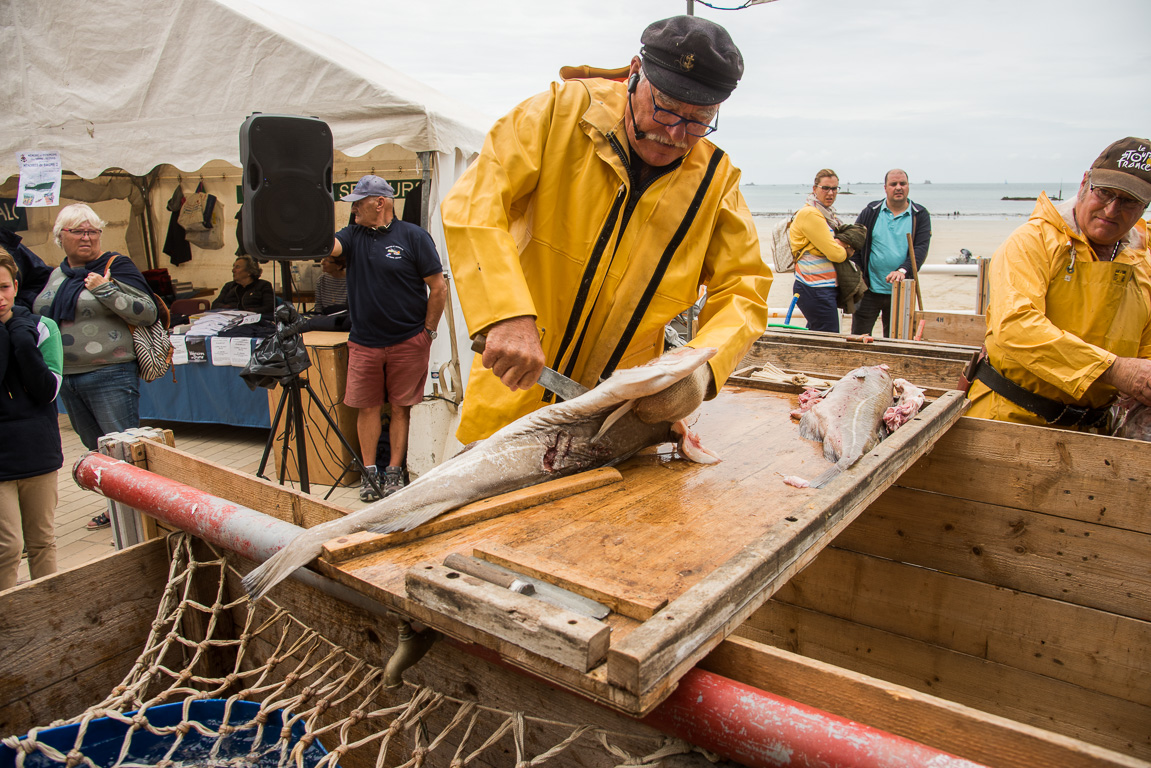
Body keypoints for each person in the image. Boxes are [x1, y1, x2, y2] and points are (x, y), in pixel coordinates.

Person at [441, 15, 771, 444]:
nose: (674, 133)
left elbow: (745, 286)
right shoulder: (558, 111)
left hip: (620, 416)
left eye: (698, 120)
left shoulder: (715, 180)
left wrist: (699, 369)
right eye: (665, 108)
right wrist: (505, 314)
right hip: (514, 392)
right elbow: (475, 206)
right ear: (635, 72)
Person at [966, 136, 1151, 428]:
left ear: (1144, 206)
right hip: (1009, 419)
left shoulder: (1143, 261)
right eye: (1103, 193)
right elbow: (1014, 328)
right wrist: (1114, 370)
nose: (1111, 209)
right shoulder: (1032, 242)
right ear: (1084, 183)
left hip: (1094, 430)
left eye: (1128, 201)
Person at [33, 203, 156, 530]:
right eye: (78, 231)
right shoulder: (57, 274)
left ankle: (143, 513)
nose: (87, 238)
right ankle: (118, 508)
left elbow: (148, 312)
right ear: (61, 237)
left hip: (110, 374)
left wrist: (104, 289)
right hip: (69, 379)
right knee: (97, 449)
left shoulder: (116, 267)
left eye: (93, 231)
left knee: (124, 449)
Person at [331, 175, 447, 501]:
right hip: (365, 342)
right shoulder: (353, 235)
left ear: (379, 202)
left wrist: (428, 333)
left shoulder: (413, 237)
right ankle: (370, 473)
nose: (353, 209)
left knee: (400, 408)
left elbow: (438, 288)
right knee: (366, 408)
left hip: (408, 340)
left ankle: (395, 471)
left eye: (358, 203)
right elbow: (332, 247)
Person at [0, 250, 63, 590]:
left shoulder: (41, 327)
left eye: (4, 287)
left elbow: (48, 391)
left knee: (42, 541)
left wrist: (22, 341)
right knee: (7, 547)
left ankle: (51, 613)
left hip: (37, 450)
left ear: (15, 285)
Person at [850, 169, 931, 337]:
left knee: (896, 342)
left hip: (901, 291)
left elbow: (920, 249)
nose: (898, 187)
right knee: (858, 338)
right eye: (893, 184)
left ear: (908, 187)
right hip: (868, 290)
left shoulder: (920, 215)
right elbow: (854, 244)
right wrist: (860, 275)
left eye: (903, 183)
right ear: (885, 188)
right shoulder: (871, 211)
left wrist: (902, 270)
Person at [790, 169, 854, 333]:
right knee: (828, 337)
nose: (830, 193)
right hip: (814, 287)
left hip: (821, 287)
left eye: (834, 188)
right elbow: (836, 254)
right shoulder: (810, 214)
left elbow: (829, 249)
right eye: (825, 188)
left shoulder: (826, 214)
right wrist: (846, 248)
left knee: (816, 335)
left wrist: (833, 246)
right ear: (814, 188)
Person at [211, 254, 276, 319]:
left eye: (237, 267)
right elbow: (215, 304)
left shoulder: (263, 285)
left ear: (249, 271)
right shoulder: (229, 286)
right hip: (229, 319)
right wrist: (227, 307)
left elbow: (270, 307)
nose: (233, 270)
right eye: (233, 266)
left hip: (253, 320)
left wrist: (250, 311)